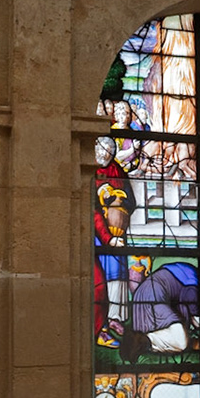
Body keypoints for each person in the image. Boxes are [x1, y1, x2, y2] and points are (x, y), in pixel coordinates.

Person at [92, 137, 135, 349]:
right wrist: (102, 194)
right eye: (101, 151)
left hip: (117, 233)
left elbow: (132, 202)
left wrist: (120, 199)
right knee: (99, 278)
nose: (105, 155)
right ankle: (100, 324)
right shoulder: (88, 168)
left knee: (117, 275)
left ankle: (115, 317)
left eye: (109, 152)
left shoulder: (118, 170)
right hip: (96, 234)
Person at [129, 261, 200, 354]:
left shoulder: (182, 271)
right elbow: (199, 322)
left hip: (140, 298)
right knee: (181, 342)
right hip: (154, 299)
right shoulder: (192, 282)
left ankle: (144, 343)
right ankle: (143, 341)